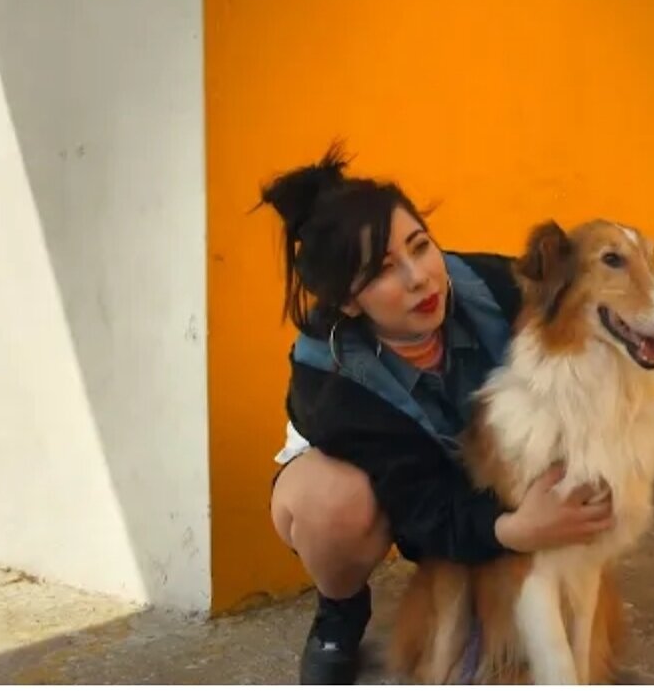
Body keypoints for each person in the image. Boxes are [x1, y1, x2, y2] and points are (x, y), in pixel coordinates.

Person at [263, 144, 615, 684]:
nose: (420, 278)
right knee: (333, 505)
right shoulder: (330, 384)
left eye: (420, 245)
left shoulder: (499, 287)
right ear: (350, 303)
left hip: (478, 472)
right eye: (382, 270)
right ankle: (339, 609)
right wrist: (516, 528)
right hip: (388, 488)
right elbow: (422, 507)